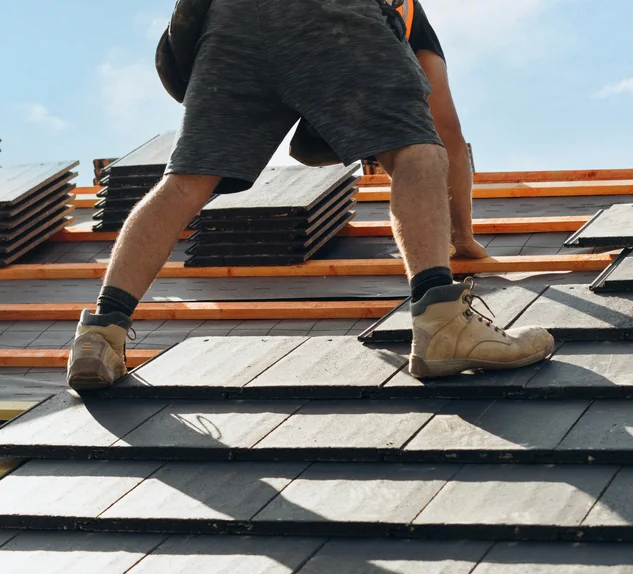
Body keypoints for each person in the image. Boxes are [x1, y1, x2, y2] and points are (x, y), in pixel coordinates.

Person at [66, 0, 553, 391]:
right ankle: (443, 323)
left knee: (186, 181)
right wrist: (461, 236)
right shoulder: (408, 11)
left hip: (229, 20)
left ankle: (99, 336)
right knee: (418, 155)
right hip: (331, 15)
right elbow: (444, 126)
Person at [406, 0, 486, 260]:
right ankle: (449, 241)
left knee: (446, 131)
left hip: (404, 20)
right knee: (404, 143)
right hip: (351, 27)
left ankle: (462, 237)